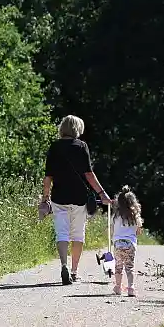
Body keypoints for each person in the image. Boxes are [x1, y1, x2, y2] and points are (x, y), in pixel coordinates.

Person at [41, 115, 111, 285]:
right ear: (77, 129)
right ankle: (74, 271)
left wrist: (45, 198)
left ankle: (64, 265)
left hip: (59, 198)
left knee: (62, 233)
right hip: (79, 198)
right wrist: (102, 193)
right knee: (78, 235)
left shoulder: (54, 147)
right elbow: (89, 174)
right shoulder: (81, 146)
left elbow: (48, 177)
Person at [111, 186, 143, 297]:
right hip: (130, 244)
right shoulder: (135, 216)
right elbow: (138, 231)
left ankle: (118, 287)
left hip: (118, 243)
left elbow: (112, 229)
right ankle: (131, 288)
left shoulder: (116, 216)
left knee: (118, 267)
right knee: (130, 267)